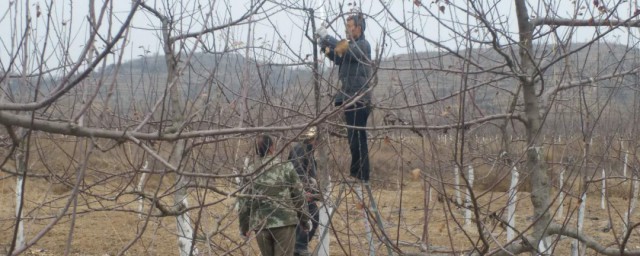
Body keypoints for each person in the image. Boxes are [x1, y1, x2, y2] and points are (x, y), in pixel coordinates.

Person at [316, 13, 372, 181]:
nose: (347, 30)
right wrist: (323, 44)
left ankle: (360, 175)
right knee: (353, 137)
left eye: (350, 26)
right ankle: (358, 174)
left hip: (359, 98)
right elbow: (337, 57)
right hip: (348, 97)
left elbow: (348, 52)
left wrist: (328, 37)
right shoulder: (349, 46)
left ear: (359, 28)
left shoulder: (363, 45)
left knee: (357, 138)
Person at [239, 134, 309, 256]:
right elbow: (298, 195)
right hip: (284, 222)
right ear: (272, 148)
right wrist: (304, 220)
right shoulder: (285, 166)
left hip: (261, 224)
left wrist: (244, 227)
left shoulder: (251, 170)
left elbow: (244, 202)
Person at [288, 126, 321, 256]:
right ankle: (300, 246)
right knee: (313, 214)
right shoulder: (301, 149)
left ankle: (298, 246)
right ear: (312, 139)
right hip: (298, 191)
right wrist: (306, 189)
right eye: (316, 140)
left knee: (306, 217)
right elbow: (298, 172)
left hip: (300, 189)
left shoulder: (307, 149)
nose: (317, 143)